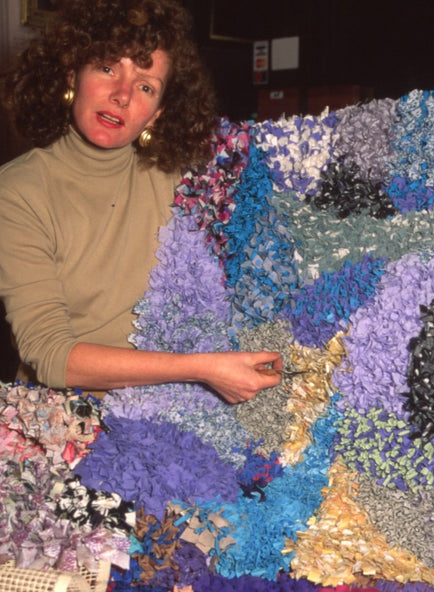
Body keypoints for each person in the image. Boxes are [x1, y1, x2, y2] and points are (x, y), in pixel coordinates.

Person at [0, 0, 282, 403]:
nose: (122, 94)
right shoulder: (17, 192)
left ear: (156, 114)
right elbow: (51, 356)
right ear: (72, 75)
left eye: (145, 86)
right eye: (108, 68)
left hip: (176, 406)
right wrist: (200, 367)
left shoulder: (183, 178)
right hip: (65, 415)